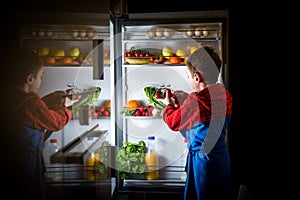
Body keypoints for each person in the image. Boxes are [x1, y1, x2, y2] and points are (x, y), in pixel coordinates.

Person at [160, 46, 233, 200]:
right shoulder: (225, 95)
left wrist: (167, 106)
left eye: (188, 76)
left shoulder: (195, 103)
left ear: (197, 77)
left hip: (203, 164)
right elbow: (207, 107)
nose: (188, 79)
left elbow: (174, 122)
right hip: (220, 159)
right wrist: (187, 98)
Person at [7, 47, 79, 200]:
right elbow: (56, 122)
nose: (41, 80)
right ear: (30, 79)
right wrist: (66, 107)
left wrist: (54, 98)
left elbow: (36, 112)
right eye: (41, 77)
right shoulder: (31, 103)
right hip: (25, 161)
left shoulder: (13, 96)